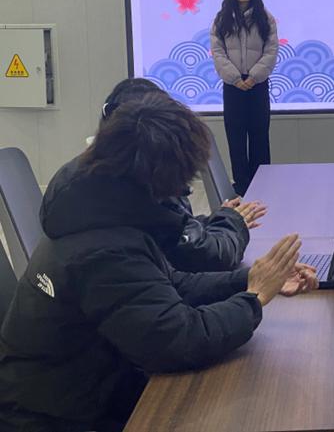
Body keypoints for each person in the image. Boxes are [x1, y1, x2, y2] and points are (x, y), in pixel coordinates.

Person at [0, 93, 317, 431]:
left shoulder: (99, 204)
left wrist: (251, 278)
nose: (183, 193)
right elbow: (180, 340)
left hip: (88, 394)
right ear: (161, 179)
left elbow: (167, 286)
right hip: (55, 419)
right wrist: (254, 298)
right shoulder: (103, 249)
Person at [78, 77, 267, 272]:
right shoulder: (142, 186)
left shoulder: (95, 178)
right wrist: (233, 226)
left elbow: (175, 230)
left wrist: (221, 219)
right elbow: (202, 255)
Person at [211, 0, 279, 196]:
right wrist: (235, 78)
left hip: (257, 86)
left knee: (260, 136)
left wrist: (253, 77)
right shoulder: (222, 19)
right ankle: (241, 186)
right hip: (233, 87)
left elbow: (271, 50)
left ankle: (263, 185)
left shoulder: (265, 18)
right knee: (236, 138)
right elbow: (218, 52)